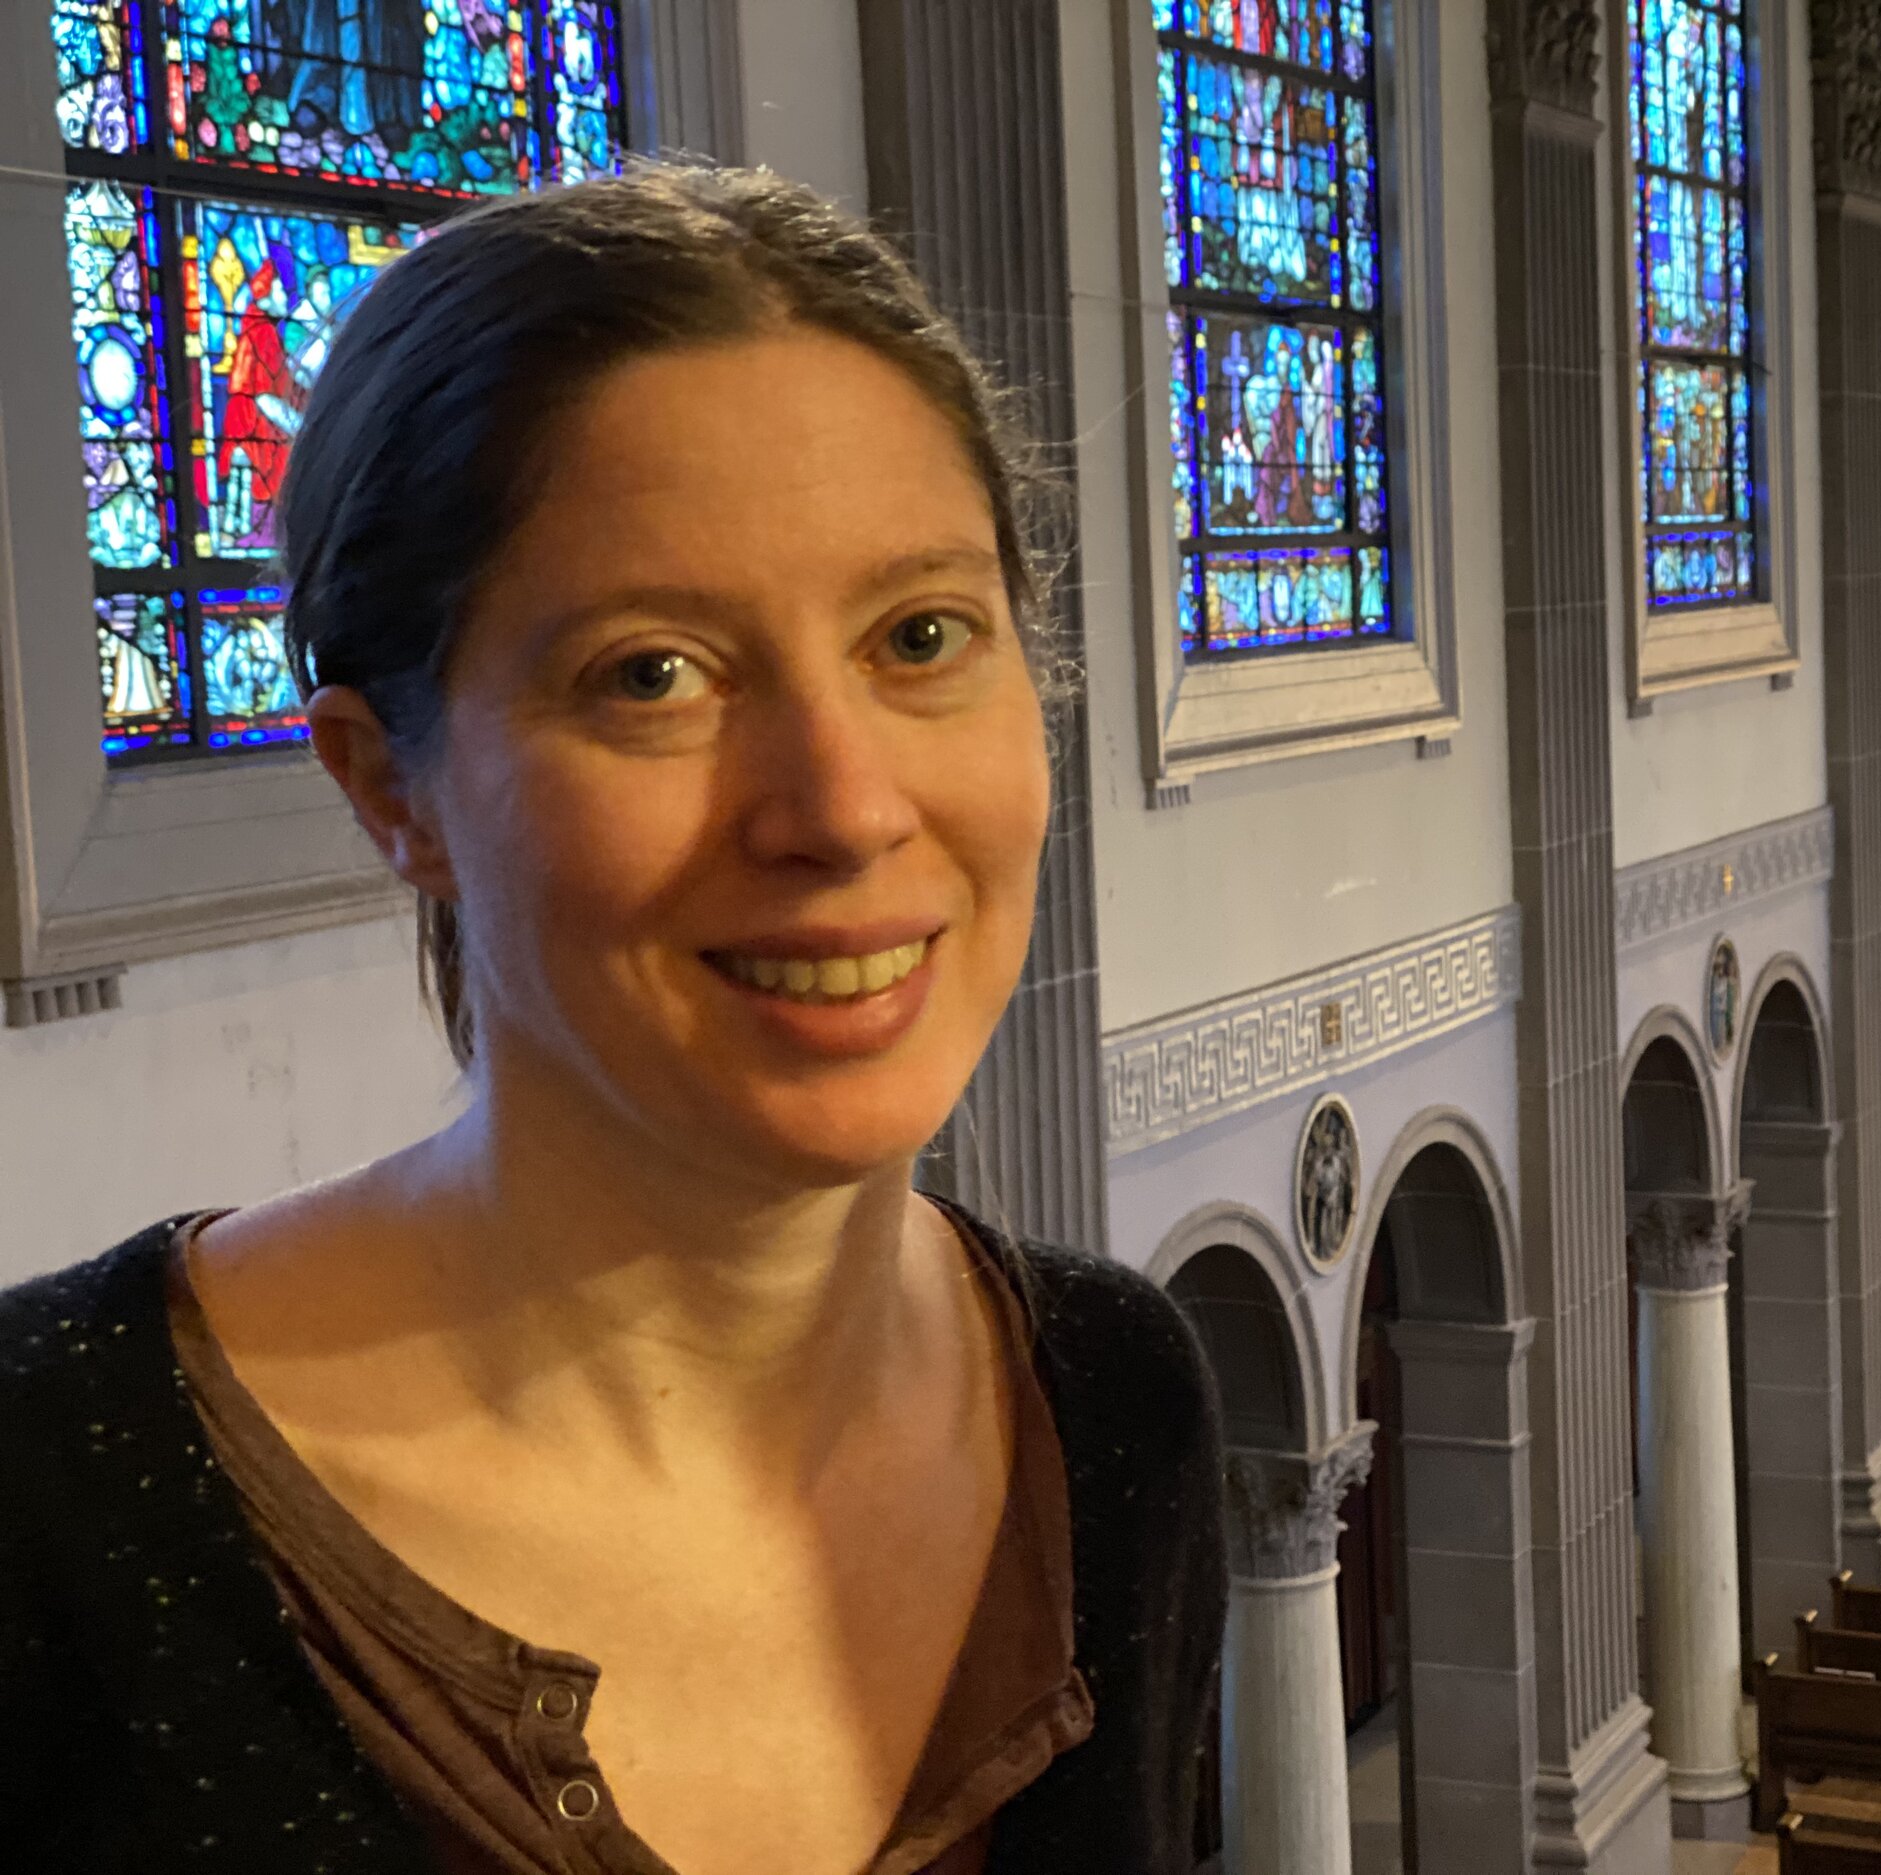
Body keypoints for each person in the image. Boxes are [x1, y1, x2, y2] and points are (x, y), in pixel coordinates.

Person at [0, 166, 1227, 1873]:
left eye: (922, 634)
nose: (844, 805)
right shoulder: (49, 1491)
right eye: (653, 673)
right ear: (390, 789)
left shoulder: (1111, 1399)